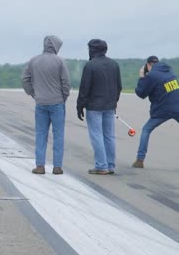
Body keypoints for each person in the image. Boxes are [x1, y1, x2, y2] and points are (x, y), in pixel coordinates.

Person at [21, 35, 71, 175]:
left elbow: (25, 79)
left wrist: (33, 93)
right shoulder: (60, 61)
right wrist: (63, 97)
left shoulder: (34, 61)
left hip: (41, 103)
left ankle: (40, 165)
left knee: (41, 134)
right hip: (57, 103)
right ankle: (57, 167)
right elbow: (66, 82)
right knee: (58, 135)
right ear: (55, 46)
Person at [76, 39, 122, 175]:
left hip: (94, 106)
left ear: (93, 50)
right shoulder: (114, 64)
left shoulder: (90, 65)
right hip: (110, 105)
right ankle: (110, 165)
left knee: (96, 135)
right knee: (109, 136)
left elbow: (84, 88)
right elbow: (119, 86)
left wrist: (80, 106)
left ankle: (101, 166)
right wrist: (115, 102)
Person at [132, 58, 179, 168]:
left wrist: (142, 77)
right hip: (177, 107)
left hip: (162, 110)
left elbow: (141, 93)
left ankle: (140, 160)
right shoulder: (170, 72)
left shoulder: (151, 76)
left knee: (146, 130)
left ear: (148, 65)